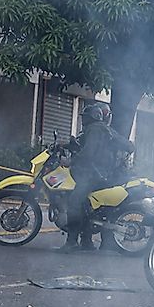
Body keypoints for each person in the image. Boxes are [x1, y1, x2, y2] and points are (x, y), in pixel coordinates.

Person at [62, 102, 134, 252]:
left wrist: (70, 161)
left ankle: (72, 242)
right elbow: (129, 146)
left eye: (85, 117)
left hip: (95, 174)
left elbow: (88, 152)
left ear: (93, 117)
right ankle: (87, 242)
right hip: (102, 174)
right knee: (86, 206)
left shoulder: (95, 129)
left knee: (74, 202)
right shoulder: (103, 130)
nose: (83, 120)